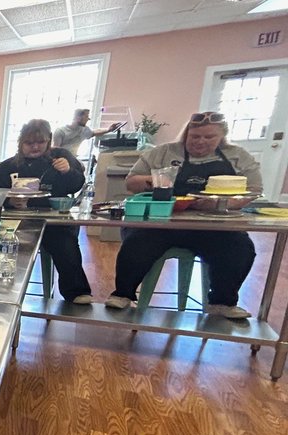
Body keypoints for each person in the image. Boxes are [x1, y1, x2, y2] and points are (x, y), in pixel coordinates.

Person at [105, 112, 262, 318]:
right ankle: (123, 294)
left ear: (221, 137)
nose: (200, 142)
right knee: (137, 241)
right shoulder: (163, 153)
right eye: (194, 136)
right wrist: (158, 180)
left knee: (239, 247)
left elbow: (254, 188)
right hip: (163, 220)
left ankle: (222, 303)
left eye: (209, 137)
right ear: (186, 134)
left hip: (213, 224)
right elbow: (131, 182)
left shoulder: (238, 156)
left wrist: (224, 202)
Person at [0, 119, 94, 304]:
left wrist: (68, 171)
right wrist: (9, 201)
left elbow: (77, 184)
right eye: (29, 143)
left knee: (65, 245)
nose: (35, 147)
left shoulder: (60, 158)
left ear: (49, 141)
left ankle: (76, 292)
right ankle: (1, 292)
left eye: (40, 142)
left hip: (53, 221)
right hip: (17, 222)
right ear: (20, 143)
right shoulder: (8, 166)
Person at [52, 107, 121, 157]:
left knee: (82, 168)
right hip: (61, 160)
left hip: (73, 159)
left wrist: (109, 129)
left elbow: (93, 132)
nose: (88, 119)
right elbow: (55, 150)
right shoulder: (60, 131)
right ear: (78, 118)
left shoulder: (84, 130)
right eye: (86, 116)